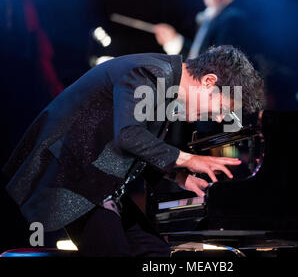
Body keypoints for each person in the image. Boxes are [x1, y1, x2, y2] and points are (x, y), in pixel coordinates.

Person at [2, 45, 265, 257]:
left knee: (155, 253)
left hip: (97, 181)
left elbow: (137, 146)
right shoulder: (150, 73)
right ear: (209, 81)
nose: (219, 118)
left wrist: (178, 176)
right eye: (222, 107)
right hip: (69, 176)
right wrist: (189, 159)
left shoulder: (166, 83)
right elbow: (128, 135)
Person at [154, 0, 254, 60]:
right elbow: (199, 56)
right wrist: (174, 40)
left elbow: (219, 62)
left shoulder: (233, 18)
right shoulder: (208, 17)